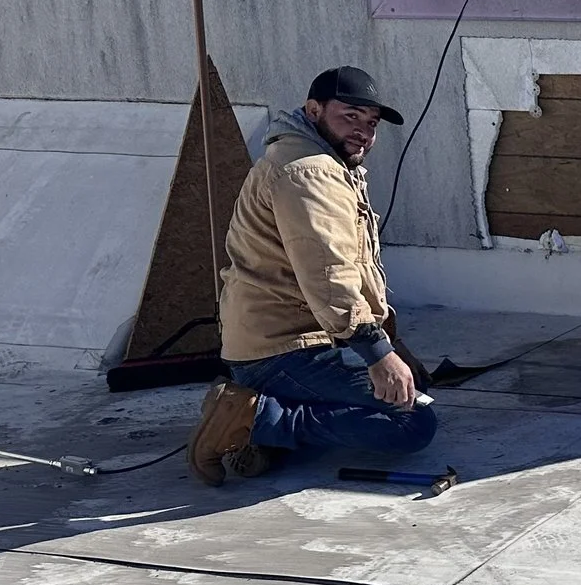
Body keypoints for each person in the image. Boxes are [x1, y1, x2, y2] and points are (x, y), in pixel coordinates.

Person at [185, 67, 437, 485]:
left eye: (371, 123)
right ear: (314, 110)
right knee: (413, 422)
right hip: (279, 351)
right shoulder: (308, 171)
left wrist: (392, 345)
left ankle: (263, 432)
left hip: (296, 341)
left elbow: (356, 270)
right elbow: (330, 276)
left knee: (412, 387)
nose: (363, 132)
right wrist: (378, 354)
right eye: (350, 116)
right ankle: (256, 417)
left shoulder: (322, 162)